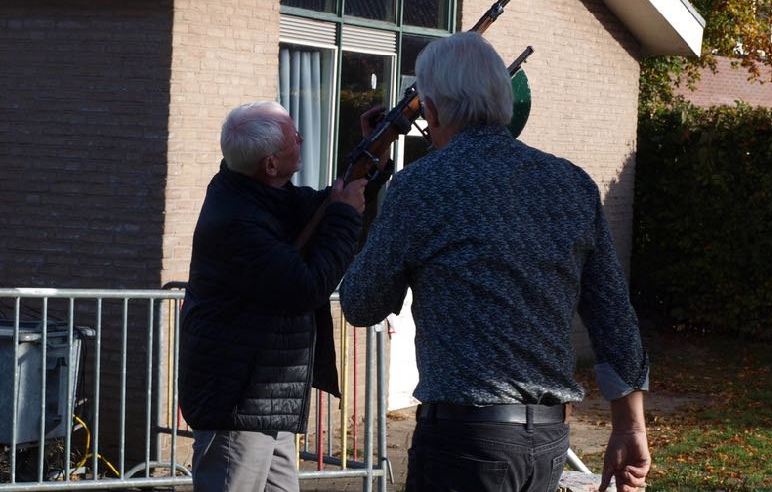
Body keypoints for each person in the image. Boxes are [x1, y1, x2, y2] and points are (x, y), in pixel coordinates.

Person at [339, 32, 651, 492]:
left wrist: (359, 203)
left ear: (433, 108)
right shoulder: (572, 184)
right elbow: (614, 321)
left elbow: (361, 303)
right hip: (546, 443)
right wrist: (631, 428)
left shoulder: (420, 188)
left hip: (463, 445)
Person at [178, 100, 368, 492]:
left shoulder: (254, 193)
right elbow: (307, 286)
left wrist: (367, 152)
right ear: (269, 165)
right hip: (239, 399)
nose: (301, 140)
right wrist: (346, 217)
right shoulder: (239, 222)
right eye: (293, 139)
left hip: (263, 398)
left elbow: (324, 204)